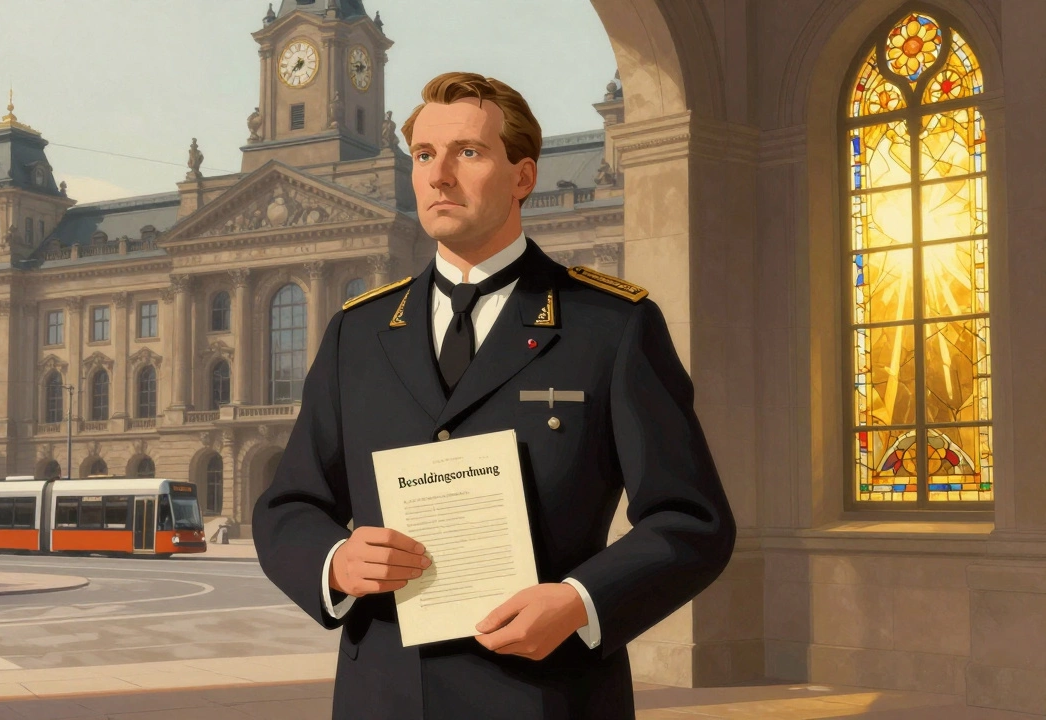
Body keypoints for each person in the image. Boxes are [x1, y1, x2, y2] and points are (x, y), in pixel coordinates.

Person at [253, 71, 736, 720]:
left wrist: (582, 602)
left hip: (549, 694)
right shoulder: (357, 333)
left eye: (468, 153)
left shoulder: (611, 325)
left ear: (523, 178)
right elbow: (289, 503)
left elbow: (691, 519)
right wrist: (335, 561)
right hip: (386, 698)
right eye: (424, 156)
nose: (438, 176)